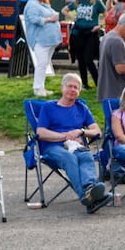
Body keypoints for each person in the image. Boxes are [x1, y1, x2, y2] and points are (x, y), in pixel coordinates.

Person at [34, 74, 108, 212]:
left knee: (86, 156)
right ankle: (88, 198)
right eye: (70, 86)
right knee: (70, 158)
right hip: (53, 146)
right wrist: (64, 137)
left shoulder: (81, 107)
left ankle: (90, 188)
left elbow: (97, 131)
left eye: (76, 87)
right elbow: (41, 132)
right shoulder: (49, 107)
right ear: (62, 87)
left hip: (76, 145)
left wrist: (81, 131)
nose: (73, 89)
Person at [22, 0, 63, 96]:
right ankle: (37, 88)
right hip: (40, 40)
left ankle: (42, 87)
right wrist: (50, 19)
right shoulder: (32, 5)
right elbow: (34, 19)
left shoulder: (42, 4)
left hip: (49, 40)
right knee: (42, 64)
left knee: (44, 64)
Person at [67, 0, 105, 88]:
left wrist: (100, 25)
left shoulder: (96, 1)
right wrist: (73, 17)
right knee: (81, 60)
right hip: (78, 33)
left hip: (91, 33)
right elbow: (64, 10)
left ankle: (99, 83)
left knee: (88, 59)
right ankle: (84, 84)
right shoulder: (77, 1)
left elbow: (107, 14)